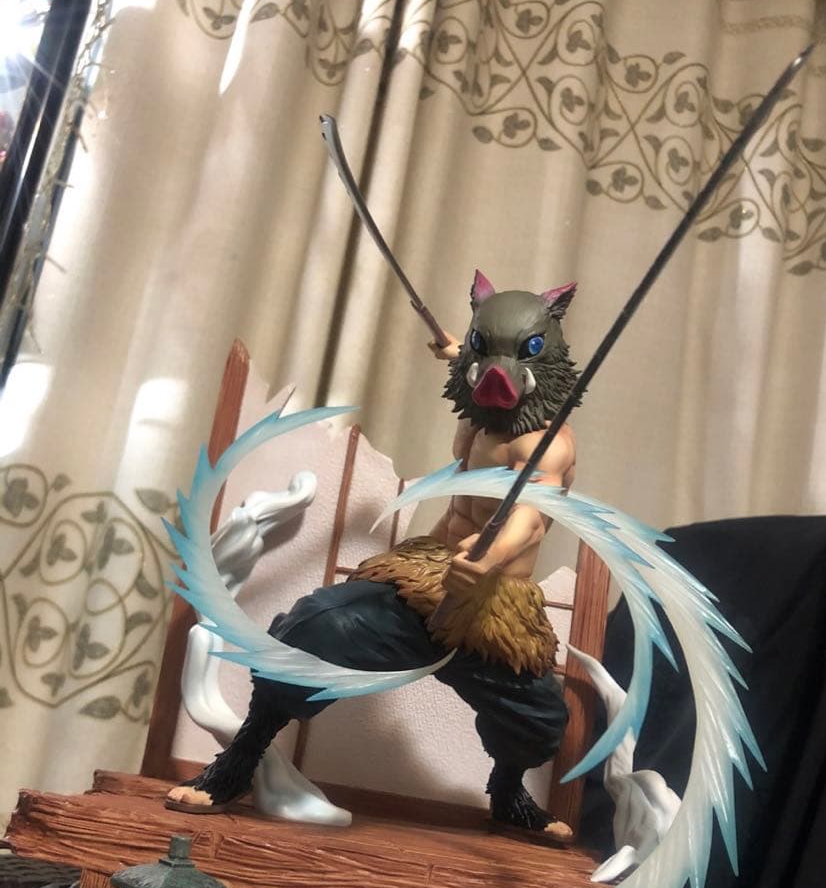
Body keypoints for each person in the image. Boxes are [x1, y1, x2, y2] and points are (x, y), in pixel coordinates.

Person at [167, 271, 582, 843]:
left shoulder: (546, 444)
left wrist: (489, 558)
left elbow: (531, 517)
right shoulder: (478, 411)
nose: (492, 371)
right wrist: (457, 351)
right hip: (433, 573)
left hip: (493, 603)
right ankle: (239, 761)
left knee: (539, 718)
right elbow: (480, 369)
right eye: (483, 351)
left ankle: (507, 794)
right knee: (318, 626)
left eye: (516, 355)